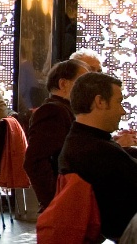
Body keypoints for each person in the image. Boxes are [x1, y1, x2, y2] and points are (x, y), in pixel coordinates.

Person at [58, 72, 137, 241]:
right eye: (119, 102)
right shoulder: (95, 152)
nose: (123, 111)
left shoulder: (82, 140)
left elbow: (124, 155)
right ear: (100, 102)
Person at [24, 59, 87, 210]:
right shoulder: (53, 111)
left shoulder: (67, 110)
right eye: (83, 82)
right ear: (64, 84)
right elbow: (35, 161)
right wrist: (54, 200)